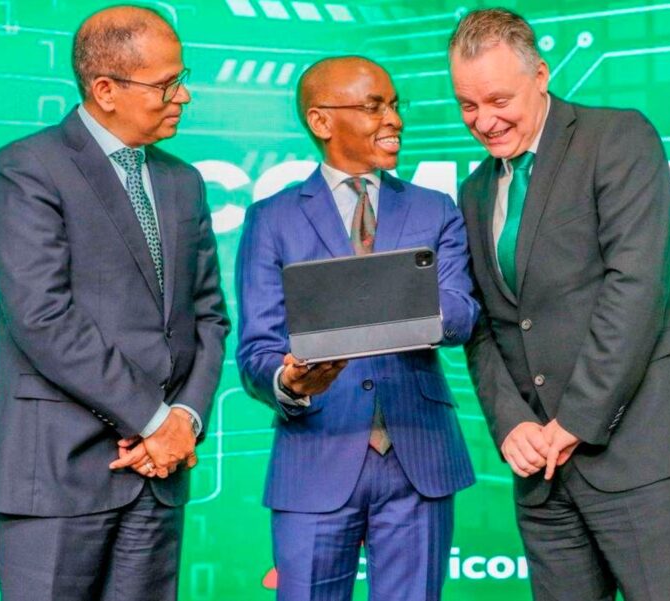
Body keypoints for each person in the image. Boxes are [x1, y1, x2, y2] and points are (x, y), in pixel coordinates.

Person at [448, 8, 670, 601]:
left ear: (540, 75)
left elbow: (637, 287)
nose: (484, 121)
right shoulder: (473, 191)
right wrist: (511, 423)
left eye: (498, 100)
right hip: (541, 473)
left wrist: (574, 420)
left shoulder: (617, 139)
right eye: (468, 105)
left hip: (641, 453)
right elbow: (484, 323)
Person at [0, 6, 229, 599]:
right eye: (166, 84)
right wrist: (154, 420)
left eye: (182, 78)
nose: (183, 95)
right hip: (57, 473)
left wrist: (184, 421)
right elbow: (42, 318)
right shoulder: (27, 167)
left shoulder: (182, 180)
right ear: (106, 90)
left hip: (159, 475)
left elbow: (209, 317)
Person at [235, 56, 479, 601]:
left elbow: (462, 312)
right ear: (321, 121)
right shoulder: (272, 218)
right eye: (374, 106)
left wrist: (401, 306)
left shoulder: (435, 209)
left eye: (394, 105)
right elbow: (257, 350)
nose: (394, 119)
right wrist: (290, 383)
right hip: (314, 455)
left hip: (418, 456)